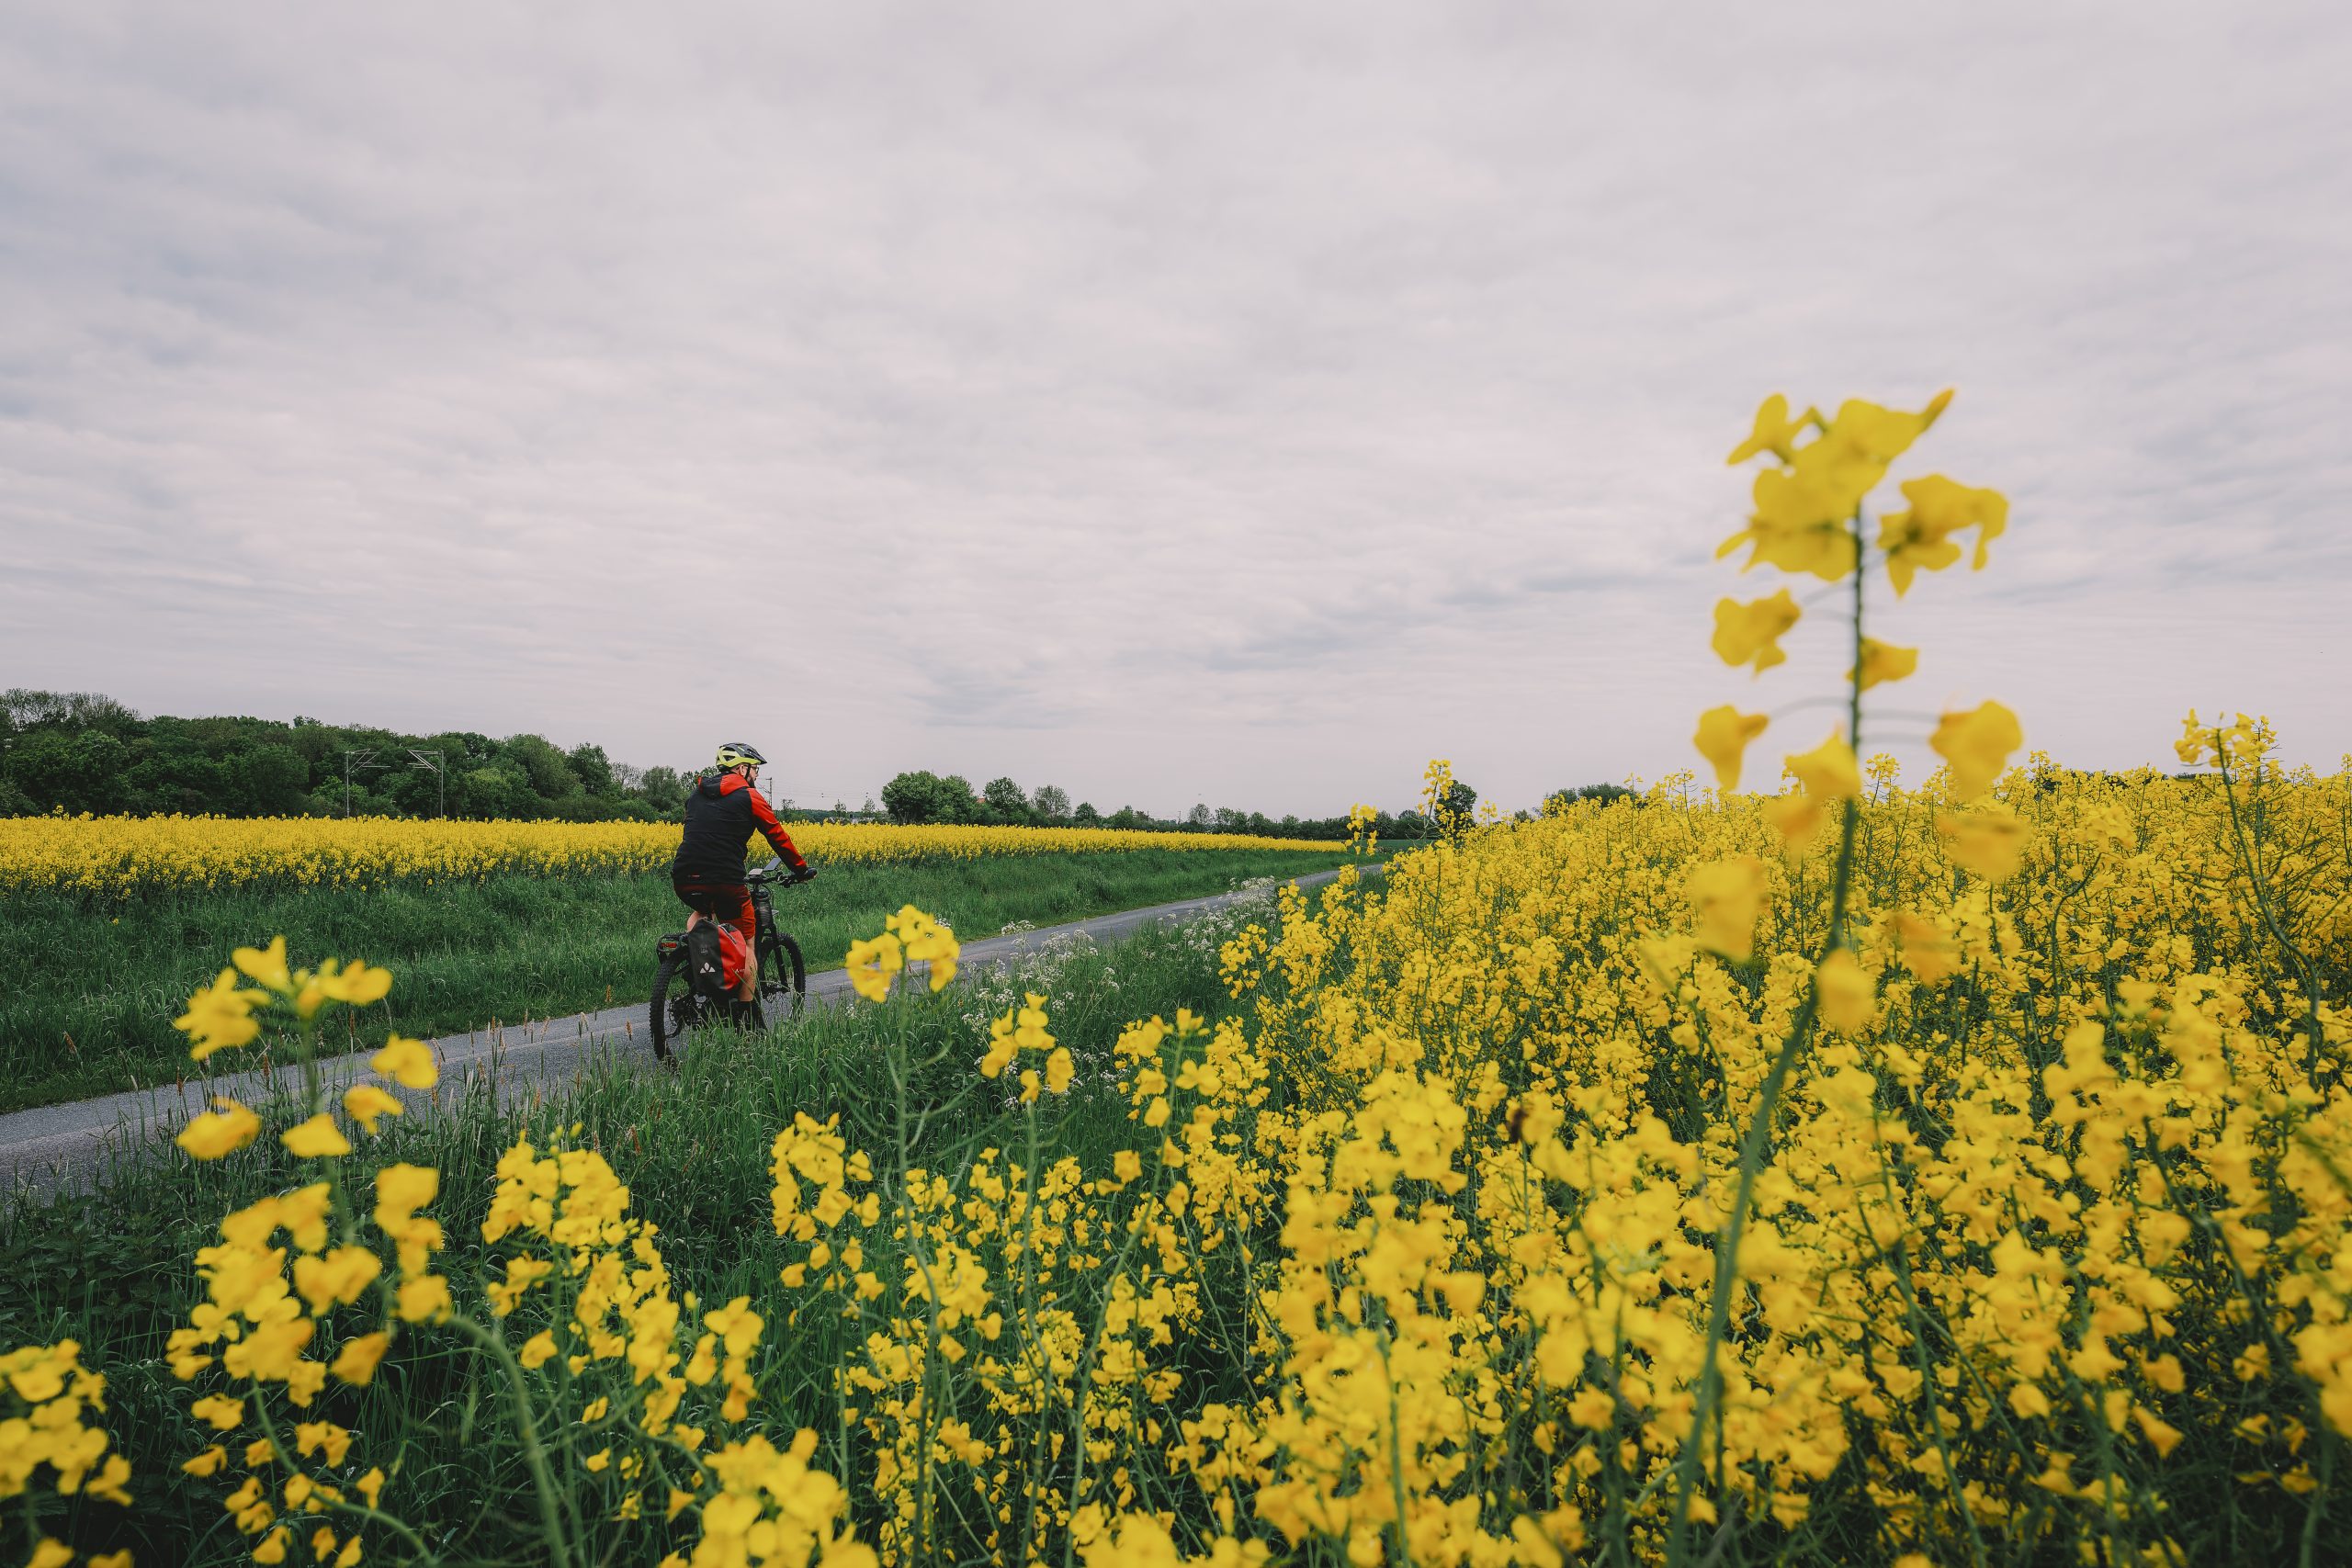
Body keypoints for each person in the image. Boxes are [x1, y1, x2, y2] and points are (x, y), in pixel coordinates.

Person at [671, 741, 813, 1021]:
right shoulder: (749, 796)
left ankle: (699, 972)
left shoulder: (695, 795)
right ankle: (748, 1027)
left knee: (701, 917)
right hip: (725, 881)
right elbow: (777, 835)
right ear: (741, 768)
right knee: (747, 945)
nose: (757, 776)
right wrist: (800, 869)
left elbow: (699, 834)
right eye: (755, 770)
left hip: (684, 878)